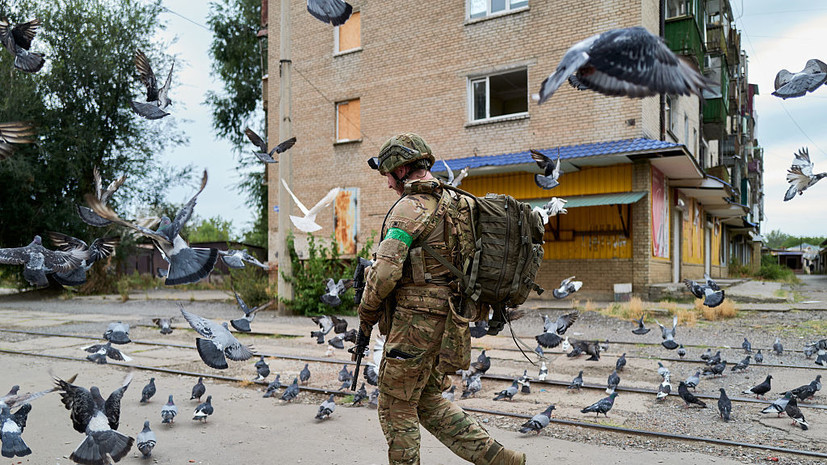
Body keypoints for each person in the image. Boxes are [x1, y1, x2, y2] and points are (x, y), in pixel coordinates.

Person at [356, 133, 525, 465]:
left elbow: (385, 275)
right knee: (427, 398)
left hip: (415, 324)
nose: (388, 184)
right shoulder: (460, 202)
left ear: (401, 170)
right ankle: (501, 459)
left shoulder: (409, 208)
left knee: (395, 404)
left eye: (388, 175)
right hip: (452, 322)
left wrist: (365, 316)